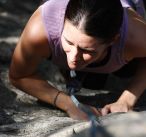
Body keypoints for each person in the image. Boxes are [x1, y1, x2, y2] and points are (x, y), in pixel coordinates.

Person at [9, 0, 146, 120]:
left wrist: (127, 99)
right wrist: (68, 104)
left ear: (113, 40)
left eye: (87, 50)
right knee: (89, 80)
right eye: (68, 42)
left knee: (124, 73)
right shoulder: (40, 29)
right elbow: (19, 75)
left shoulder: (136, 37)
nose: (73, 57)